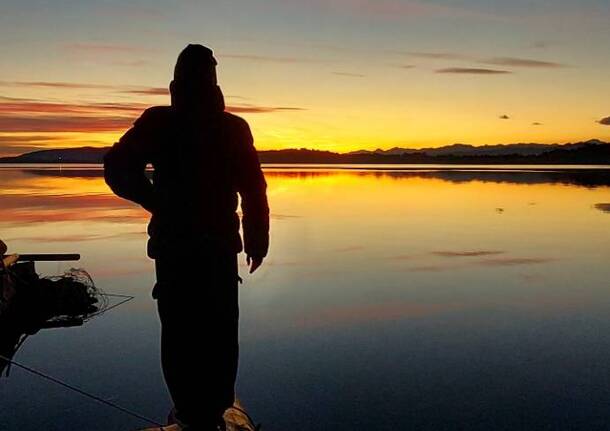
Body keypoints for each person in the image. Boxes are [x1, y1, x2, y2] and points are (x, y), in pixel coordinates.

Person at [104, 44, 269, 430]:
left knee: (196, 331)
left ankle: (200, 414)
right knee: (209, 330)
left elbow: (253, 189)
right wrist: (156, 201)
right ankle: (203, 414)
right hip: (200, 248)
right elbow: (254, 191)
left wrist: (156, 202)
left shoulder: (184, 124)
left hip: (194, 247)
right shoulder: (213, 125)